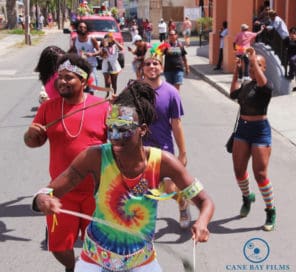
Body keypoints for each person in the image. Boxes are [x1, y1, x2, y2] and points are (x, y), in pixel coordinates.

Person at [31, 80, 215, 272]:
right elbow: (49, 192)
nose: (115, 136)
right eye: (111, 127)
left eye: (123, 129)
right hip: (96, 259)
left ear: (142, 129)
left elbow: (205, 201)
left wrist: (202, 222)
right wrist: (43, 198)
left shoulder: (163, 162)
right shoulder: (94, 157)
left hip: (142, 261)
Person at [24, 53, 109, 272]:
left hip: (97, 192)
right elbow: (33, 142)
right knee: (58, 245)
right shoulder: (48, 108)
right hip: (62, 192)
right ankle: (73, 268)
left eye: (69, 77)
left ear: (84, 81)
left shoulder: (102, 107)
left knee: (99, 246)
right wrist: (30, 133)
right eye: (59, 77)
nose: (62, 81)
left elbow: (119, 145)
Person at [229, 47, 276, 231]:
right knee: (239, 170)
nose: (252, 70)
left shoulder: (266, 87)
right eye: (251, 68)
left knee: (260, 174)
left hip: (260, 131)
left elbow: (262, 81)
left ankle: (270, 210)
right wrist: (237, 70)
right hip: (243, 129)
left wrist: (253, 58)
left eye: (257, 66)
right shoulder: (247, 86)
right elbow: (233, 94)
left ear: (263, 68)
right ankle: (247, 197)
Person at [142, 55, 190, 229]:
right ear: (142, 69)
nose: (151, 66)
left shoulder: (171, 92)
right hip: (140, 150)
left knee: (169, 188)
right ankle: (146, 226)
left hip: (164, 149)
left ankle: (182, 201)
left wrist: (182, 153)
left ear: (161, 68)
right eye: (147, 64)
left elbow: (176, 124)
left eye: (155, 63)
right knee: (145, 190)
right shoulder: (134, 90)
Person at [69, 20, 100, 94]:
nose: (82, 28)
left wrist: (92, 54)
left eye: (84, 27)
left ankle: (92, 102)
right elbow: (72, 51)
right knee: (81, 86)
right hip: (80, 67)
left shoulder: (92, 39)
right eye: (80, 27)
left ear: (87, 29)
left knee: (92, 86)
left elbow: (100, 51)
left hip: (91, 66)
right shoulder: (75, 39)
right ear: (77, 28)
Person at [98, 33, 123, 97]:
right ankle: (107, 94)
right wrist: (103, 48)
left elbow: (121, 48)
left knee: (114, 82)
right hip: (105, 65)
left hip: (114, 65)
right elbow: (100, 56)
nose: (109, 40)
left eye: (110, 38)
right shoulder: (102, 46)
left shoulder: (115, 46)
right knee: (107, 82)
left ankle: (114, 95)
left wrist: (115, 41)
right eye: (107, 39)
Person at [286, 27, 296, 91]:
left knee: (292, 59)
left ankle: (291, 74)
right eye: (291, 32)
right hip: (294, 59)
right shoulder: (289, 40)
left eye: (294, 32)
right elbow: (288, 50)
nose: (292, 34)